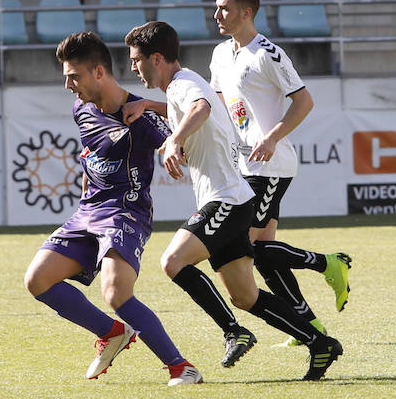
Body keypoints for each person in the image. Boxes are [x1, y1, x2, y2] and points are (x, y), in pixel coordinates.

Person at [123, 20, 342, 380]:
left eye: (136, 59)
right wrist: (149, 105)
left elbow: (201, 110)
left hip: (226, 199)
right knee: (246, 297)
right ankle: (319, 343)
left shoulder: (184, 85)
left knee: (172, 262)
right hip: (236, 198)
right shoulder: (184, 84)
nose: (133, 66)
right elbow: (198, 106)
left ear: (157, 58)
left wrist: (175, 140)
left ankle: (233, 331)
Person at [23, 31, 202, 386]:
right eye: (66, 78)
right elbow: (93, 147)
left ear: (99, 72)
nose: (69, 86)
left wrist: (163, 128)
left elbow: (189, 124)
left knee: (116, 293)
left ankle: (182, 368)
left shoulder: (140, 116)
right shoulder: (81, 110)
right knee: (37, 280)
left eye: (74, 77)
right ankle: (113, 333)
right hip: (88, 211)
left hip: (126, 212)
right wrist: (89, 172)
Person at [209, 0, 351, 346]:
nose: (217, 14)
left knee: (247, 248)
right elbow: (223, 109)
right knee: (265, 257)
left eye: (225, 8)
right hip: (244, 165)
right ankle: (311, 326)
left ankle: (328, 263)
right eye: (217, 7)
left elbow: (304, 101)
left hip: (270, 165)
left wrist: (270, 137)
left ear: (247, 11)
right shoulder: (221, 54)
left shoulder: (268, 54)